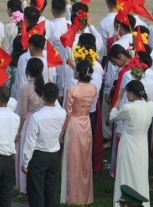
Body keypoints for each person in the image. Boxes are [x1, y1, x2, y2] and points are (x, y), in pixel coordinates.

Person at [21, 83, 65, 207]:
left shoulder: (37, 117)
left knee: (36, 192)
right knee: (50, 191)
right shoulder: (62, 113)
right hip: (53, 156)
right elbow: (58, 105)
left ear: (42, 97)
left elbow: (30, 142)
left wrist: (25, 162)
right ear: (56, 97)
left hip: (38, 156)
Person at [60, 61, 95, 205]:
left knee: (72, 159)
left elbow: (68, 113)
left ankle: (72, 195)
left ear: (78, 73)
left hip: (74, 124)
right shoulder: (94, 88)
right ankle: (85, 194)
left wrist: (62, 131)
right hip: (86, 123)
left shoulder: (72, 90)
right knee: (84, 159)